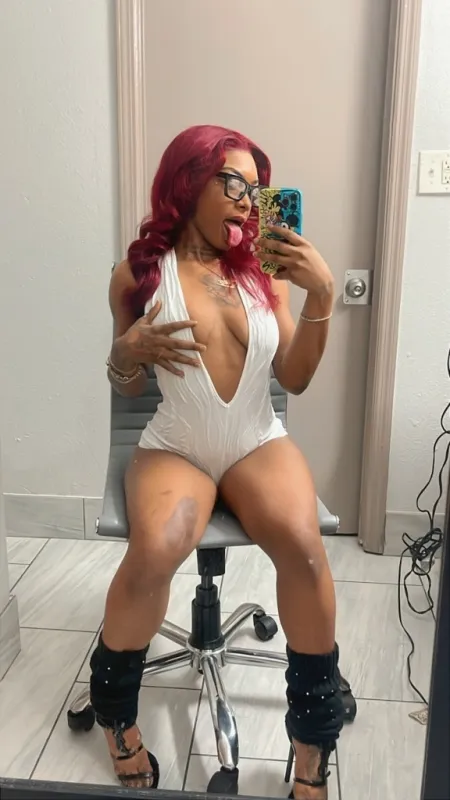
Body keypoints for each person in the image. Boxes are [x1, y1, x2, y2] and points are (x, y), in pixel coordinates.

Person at [89, 124, 344, 800]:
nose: (246, 200)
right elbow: (126, 386)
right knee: (158, 548)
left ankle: (313, 737)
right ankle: (116, 716)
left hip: (255, 440)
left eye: (254, 189)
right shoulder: (139, 276)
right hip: (177, 443)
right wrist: (125, 352)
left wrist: (321, 296)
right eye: (232, 182)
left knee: (305, 550)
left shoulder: (265, 271)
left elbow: (296, 376)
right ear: (187, 180)